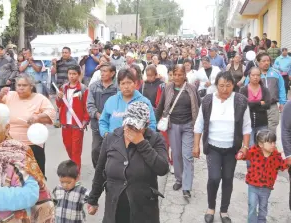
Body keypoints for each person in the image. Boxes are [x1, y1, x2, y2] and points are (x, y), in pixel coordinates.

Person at [87, 101, 169, 223]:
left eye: (136, 127)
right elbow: (100, 171)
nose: (130, 130)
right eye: (128, 125)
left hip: (143, 208)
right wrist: (93, 199)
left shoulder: (155, 139)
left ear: (146, 125)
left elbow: (162, 169)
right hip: (115, 205)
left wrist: (142, 143)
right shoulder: (111, 138)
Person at [193, 71, 251, 223]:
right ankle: (210, 208)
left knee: (227, 178)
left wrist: (245, 147)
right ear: (216, 85)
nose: (225, 89)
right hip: (213, 146)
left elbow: (246, 127)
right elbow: (199, 124)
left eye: (228, 85)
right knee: (214, 178)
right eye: (221, 85)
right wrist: (196, 145)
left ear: (233, 85)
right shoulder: (207, 100)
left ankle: (224, 210)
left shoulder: (241, 101)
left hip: (232, 148)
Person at [0, 74, 56, 175]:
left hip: (32, 145)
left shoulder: (40, 98)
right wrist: (0, 95)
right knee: (14, 175)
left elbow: (51, 113)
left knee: (35, 175)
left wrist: (38, 117)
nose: (21, 88)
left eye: (24, 85)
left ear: (31, 86)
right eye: (19, 85)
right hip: (11, 144)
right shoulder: (10, 95)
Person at [156, 64, 200, 197]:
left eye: (180, 74)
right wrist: (157, 123)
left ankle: (187, 187)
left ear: (185, 75)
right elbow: (161, 106)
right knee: (176, 154)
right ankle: (179, 179)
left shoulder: (192, 89)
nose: (177, 77)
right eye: (175, 74)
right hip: (172, 125)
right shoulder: (168, 88)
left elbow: (199, 106)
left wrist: (199, 126)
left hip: (188, 126)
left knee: (187, 155)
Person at [236, 130, 291, 223]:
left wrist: (288, 162)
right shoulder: (253, 151)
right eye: (270, 142)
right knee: (252, 206)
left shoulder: (276, 156)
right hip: (253, 186)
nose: (273, 144)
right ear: (261, 144)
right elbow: (245, 155)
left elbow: (282, 165)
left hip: (266, 188)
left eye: (274, 142)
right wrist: (240, 154)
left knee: (263, 208)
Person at [99, 68, 156, 138]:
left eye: (129, 82)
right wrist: (106, 135)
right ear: (119, 85)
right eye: (123, 83)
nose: (126, 87)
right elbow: (103, 122)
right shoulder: (111, 101)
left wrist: (142, 140)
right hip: (114, 145)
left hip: (137, 145)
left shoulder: (144, 102)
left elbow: (152, 124)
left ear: (135, 84)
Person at [56, 65, 89, 169]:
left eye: (74, 74)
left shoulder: (83, 89)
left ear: (79, 75)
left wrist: (85, 120)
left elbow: (86, 106)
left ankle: (76, 173)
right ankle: (75, 166)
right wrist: (58, 97)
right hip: (65, 124)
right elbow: (59, 105)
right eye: (70, 74)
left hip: (77, 125)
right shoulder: (63, 88)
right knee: (68, 147)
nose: (72, 76)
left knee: (76, 150)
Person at [244, 52, 286, 134]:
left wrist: (282, 103)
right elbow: (246, 90)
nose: (266, 63)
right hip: (257, 107)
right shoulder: (253, 74)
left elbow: (281, 88)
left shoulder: (276, 73)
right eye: (263, 61)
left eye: (268, 61)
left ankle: (269, 145)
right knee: (258, 132)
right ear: (258, 62)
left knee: (271, 130)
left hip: (272, 106)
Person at [87, 63, 117, 168]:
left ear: (112, 73)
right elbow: (89, 105)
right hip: (97, 124)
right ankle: (98, 171)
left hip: (113, 125)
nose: (102, 74)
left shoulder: (117, 88)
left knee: (112, 150)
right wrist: (97, 115)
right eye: (101, 71)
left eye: (105, 71)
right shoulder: (93, 87)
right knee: (95, 150)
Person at [240, 67, 271, 147]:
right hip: (248, 124)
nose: (255, 77)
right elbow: (243, 105)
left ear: (260, 76)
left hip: (262, 123)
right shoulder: (243, 90)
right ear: (249, 76)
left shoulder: (265, 90)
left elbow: (267, 105)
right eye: (253, 75)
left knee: (264, 146)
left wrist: (251, 104)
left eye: (258, 75)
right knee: (250, 147)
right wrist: (259, 103)